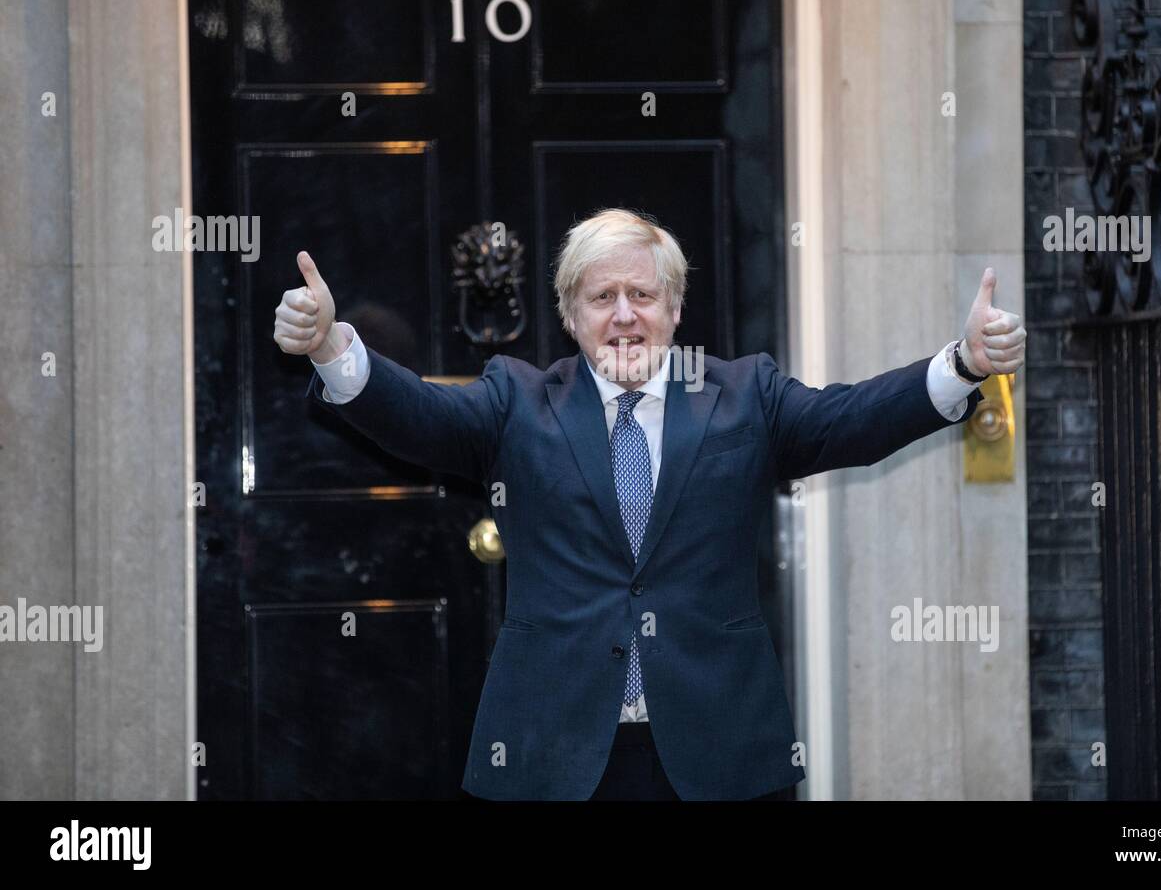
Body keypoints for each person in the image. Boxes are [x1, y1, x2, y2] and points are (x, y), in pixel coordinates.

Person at [273, 208, 1027, 800]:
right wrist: (334, 350)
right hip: (553, 754)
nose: (625, 315)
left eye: (643, 295)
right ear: (571, 315)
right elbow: (419, 419)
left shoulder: (745, 395)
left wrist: (962, 364)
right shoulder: (517, 402)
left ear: (674, 311)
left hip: (716, 750)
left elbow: (851, 420)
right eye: (603, 297)